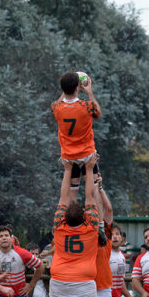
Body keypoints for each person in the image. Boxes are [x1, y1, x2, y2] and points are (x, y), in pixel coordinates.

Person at [48, 156, 101, 297]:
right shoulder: (91, 227)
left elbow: (63, 195)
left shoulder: (59, 226)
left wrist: (68, 170)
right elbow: (90, 195)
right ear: (84, 215)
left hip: (59, 279)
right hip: (83, 280)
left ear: (66, 215)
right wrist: (89, 169)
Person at [51, 71, 101, 200]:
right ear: (77, 88)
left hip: (68, 155)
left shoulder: (56, 107)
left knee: (72, 192)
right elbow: (97, 112)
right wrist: (89, 92)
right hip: (86, 153)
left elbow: (59, 102)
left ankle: (71, 218)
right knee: (94, 189)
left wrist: (67, 88)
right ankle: (97, 219)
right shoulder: (86, 106)